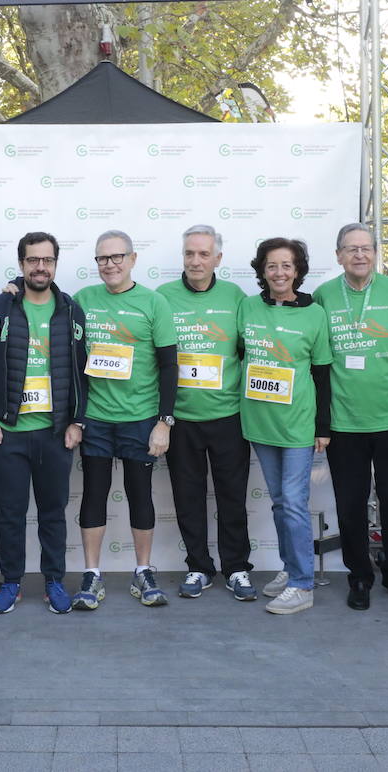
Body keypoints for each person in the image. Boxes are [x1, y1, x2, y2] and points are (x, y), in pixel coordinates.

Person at [0, 232, 88, 615]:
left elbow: (80, 372)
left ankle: (54, 580)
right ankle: (11, 581)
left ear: (56, 263)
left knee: (53, 513)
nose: (41, 267)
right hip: (8, 436)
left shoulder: (71, 311)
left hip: (55, 435)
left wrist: (77, 421)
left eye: (48, 260)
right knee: (10, 516)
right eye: (33, 260)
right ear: (21, 264)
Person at [315, 224, 388, 611]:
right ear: (339, 255)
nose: (359, 255)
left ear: (376, 253)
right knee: (351, 504)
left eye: (366, 248)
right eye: (351, 249)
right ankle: (359, 576)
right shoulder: (324, 296)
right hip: (344, 422)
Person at [70, 230, 178, 610]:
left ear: (132, 259)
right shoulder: (83, 300)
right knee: (94, 495)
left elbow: (169, 365)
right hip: (96, 419)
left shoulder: (153, 302)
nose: (110, 264)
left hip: (140, 418)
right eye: (102, 259)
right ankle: (91, 575)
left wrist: (164, 421)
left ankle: (143, 570)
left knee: (140, 495)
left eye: (117, 257)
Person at [156, 225, 256, 601]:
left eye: (203, 254)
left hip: (228, 416)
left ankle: (237, 569)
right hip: (180, 420)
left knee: (232, 497)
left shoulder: (236, 297)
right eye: (189, 254)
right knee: (188, 497)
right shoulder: (163, 297)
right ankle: (198, 566)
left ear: (218, 258)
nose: (195, 261)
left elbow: (250, 349)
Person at [238, 237, 332, 616]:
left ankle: (302, 585)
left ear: (298, 271)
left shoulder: (314, 314)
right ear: (263, 270)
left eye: (287, 265)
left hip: (297, 425)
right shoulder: (247, 307)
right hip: (260, 423)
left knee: (293, 503)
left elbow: (322, 373)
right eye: (272, 266)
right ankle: (290, 566)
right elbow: (240, 355)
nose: (279, 272)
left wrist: (322, 427)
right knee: (280, 503)